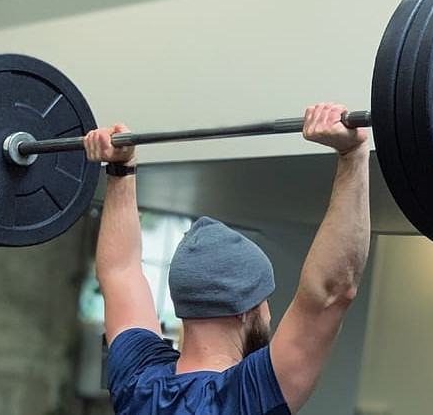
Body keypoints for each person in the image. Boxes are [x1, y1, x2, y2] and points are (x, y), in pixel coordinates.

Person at [84, 102, 371, 415]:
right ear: (246, 311)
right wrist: (353, 155)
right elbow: (331, 292)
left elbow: (121, 271)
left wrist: (120, 169)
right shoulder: (245, 398)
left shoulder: (139, 383)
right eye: (265, 302)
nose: (269, 316)